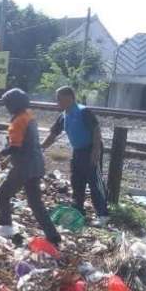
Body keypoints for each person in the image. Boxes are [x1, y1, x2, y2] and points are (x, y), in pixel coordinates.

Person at [0, 88, 63, 244]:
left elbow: (16, 147)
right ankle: (53, 236)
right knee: (35, 203)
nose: (7, 107)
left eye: (7, 104)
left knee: (2, 195)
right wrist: (7, 160)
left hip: (23, 167)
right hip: (36, 165)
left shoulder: (18, 121)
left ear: (13, 104)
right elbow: (26, 144)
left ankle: (6, 230)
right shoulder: (29, 116)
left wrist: (0, 154)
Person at [41, 86, 109, 223]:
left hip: (91, 150)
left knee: (95, 182)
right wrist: (40, 147)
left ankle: (103, 214)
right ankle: (79, 210)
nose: (57, 102)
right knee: (77, 182)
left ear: (69, 98)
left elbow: (96, 131)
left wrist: (96, 152)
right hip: (78, 151)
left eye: (59, 99)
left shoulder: (83, 112)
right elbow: (53, 134)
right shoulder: (64, 116)